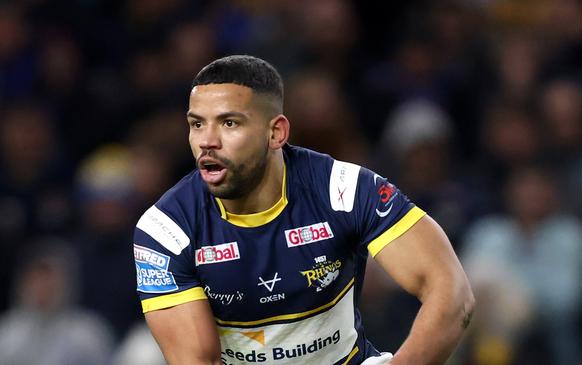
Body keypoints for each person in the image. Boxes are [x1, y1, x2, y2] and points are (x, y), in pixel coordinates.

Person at [133, 55, 474, 365]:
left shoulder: (345, 190)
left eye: (229, 123)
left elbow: (451, 291)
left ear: (276, 132)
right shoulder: (165, 230)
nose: (207, 140)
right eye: (197, 124)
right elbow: (197, 361)